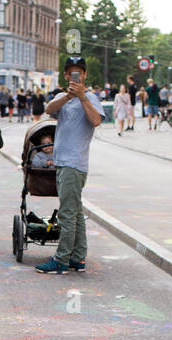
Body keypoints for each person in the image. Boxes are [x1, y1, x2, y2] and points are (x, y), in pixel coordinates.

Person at [35, 55, 101, 274]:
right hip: (63, 162)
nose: (76, 76)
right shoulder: (63, 98)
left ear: (84, 75)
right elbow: (48, 109)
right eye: (72, 73)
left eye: (79, 73)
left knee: (66, 213)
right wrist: (68, 95)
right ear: (66, 76)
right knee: (75, 213)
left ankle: (61, 260)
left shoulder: (90, 97)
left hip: (75, 163)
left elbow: (96, 121)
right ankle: (79, 258)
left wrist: (82, 98)